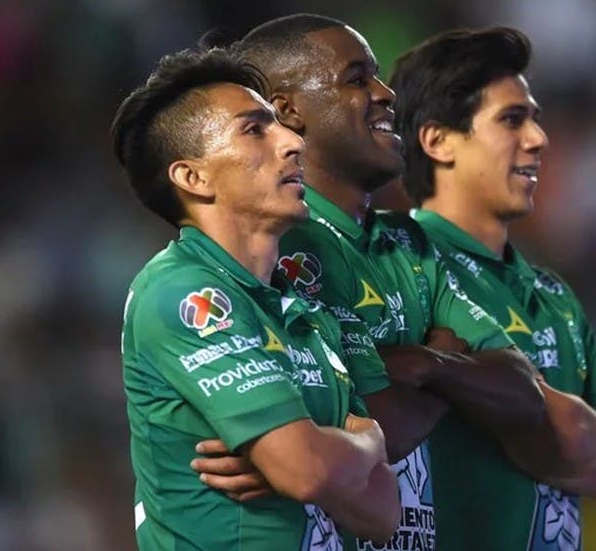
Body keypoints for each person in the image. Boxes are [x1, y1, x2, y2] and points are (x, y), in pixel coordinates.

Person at [191, 15, 596, 551]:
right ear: (287, 110)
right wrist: (449, 365)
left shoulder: (413, 246)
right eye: (356, 78)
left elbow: (521, 391)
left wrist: (425, 367)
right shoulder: (270, 245)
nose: (386, 94)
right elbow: (377, 420)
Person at [389, 26, 596, 550]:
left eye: (534, 119)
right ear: (438, 140)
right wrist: (567, 442)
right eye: (512, 119)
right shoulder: (398, 263)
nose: (539, 139)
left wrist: (540, 452)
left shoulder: (550, 293)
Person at [112, 46, 400, 550]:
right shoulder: (184, 292)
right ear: (193, 177)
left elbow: (384, 512)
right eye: (254, 129)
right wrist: (364, 441)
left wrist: (320, 455)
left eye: (280, 126)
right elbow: (306, 470)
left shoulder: (305, 312)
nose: (293, 141)